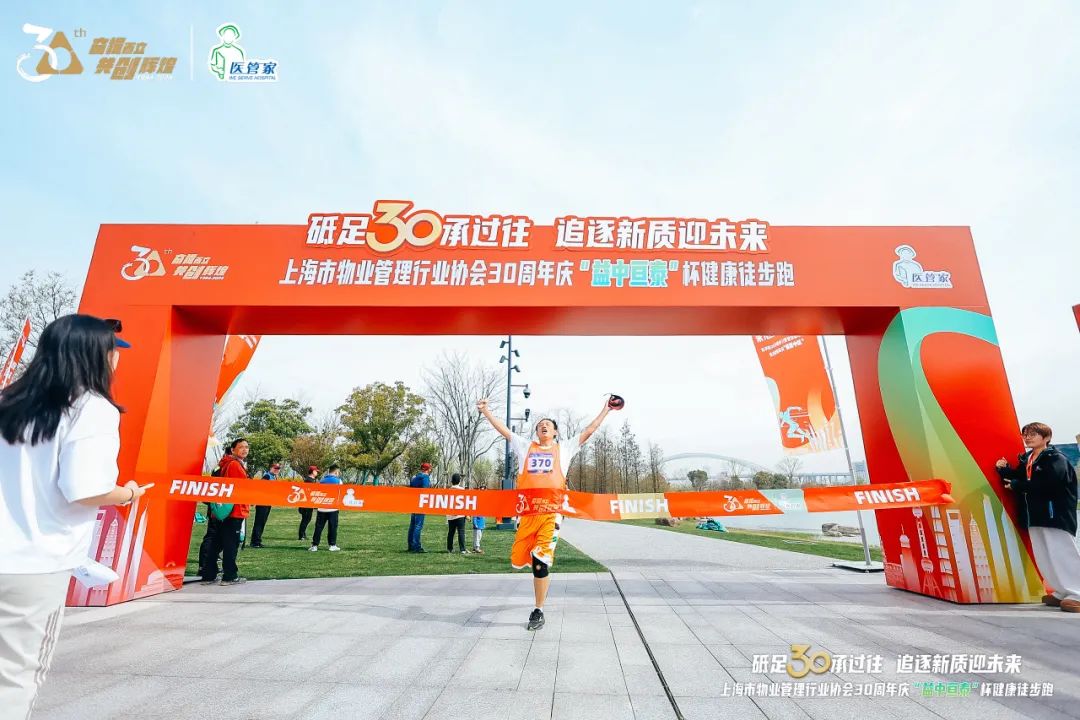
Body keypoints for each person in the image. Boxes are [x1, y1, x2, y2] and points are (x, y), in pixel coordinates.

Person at [0, 314, 146, 717]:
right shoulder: (91, 408)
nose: (117, 358)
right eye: (113, 350)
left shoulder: (8, 402)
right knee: (13, 678)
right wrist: (127, 494)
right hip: (34, 566)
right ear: (93, 355)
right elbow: (85, 489)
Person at [477, 397, 618, 630]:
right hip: (528, 515)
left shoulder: (564, 449)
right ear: (536, 432)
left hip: (551, 514)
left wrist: (605, 410)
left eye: (548, 425)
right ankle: (538, 597)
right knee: (520, 558)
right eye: (540, 425)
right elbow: (504, 431)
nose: (543, 426)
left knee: (540, 561)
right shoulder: (526, 447)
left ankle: (538, 610)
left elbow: (589, 430)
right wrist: (486, 412)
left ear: (555, 432)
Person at [996, 422, 1080, 613]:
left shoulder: (1055, 459)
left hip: (1055, 514)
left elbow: (1049, 484)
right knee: (1044, 554)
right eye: (1025, 434)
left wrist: (1018, 485)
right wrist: (1004, 470)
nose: (1028, 437)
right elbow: (1019, 478)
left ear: (1046, 438)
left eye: (1033, 434)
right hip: (1035, 515)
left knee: (1062, 552)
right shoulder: (1029, 459)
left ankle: (1077, 592)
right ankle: (1062, 591)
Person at [214, 439, 251, 585]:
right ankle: (229, 575)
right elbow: (242, 486)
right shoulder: (234, 464)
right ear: (233, 449)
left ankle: (214, 572)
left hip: (228, 510)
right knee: (231, 544)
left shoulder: (228, 463)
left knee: (224, 541)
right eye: (241, 447)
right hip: (235, 510)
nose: (245, 449)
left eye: (246, 447)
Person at [310, 464, 342, 552]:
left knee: (318, 527)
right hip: (333, 508)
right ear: (336, 472)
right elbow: (340, 494)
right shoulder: (338, 481)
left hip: (321, 508)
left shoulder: (321, 480)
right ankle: (332, 545)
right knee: (332, 527)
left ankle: (314, 545)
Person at [250, 462, 280, 548]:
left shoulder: (273, 477)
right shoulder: (267, 476)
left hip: (267, 503)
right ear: (271, 468)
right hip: (262, 503)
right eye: (275, 468)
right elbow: (261, 488)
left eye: (278, 469)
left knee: (262, 522)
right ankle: (255, 542)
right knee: (259, 522)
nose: (276, 470)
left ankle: (257, 540)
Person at [407, 462, 432, 552]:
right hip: (420, 504)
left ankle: (411, 545)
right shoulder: (425, 478)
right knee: (418, 525)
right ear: (428, 469)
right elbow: (425, 491)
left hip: (413, 503)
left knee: (412, 525)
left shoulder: (414, 478)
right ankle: (416, 546)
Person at [446, 473, 467, 554]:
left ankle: (449, 548)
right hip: (460, 515)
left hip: (450, 515)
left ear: (452, 481)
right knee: (461, 532)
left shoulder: (448, 491)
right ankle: (462, 549)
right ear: (459, 481)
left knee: (451, 532)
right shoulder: (462, 490)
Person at [298, 465, 319, 541]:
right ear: (313, 471)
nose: (317, 473)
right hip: (306, 504)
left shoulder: (311, 480)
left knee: (307, 519)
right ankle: (301, 535)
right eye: (316, 471)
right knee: (306, 519)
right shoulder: (309, 480)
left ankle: (303, 534)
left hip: (308, 503)